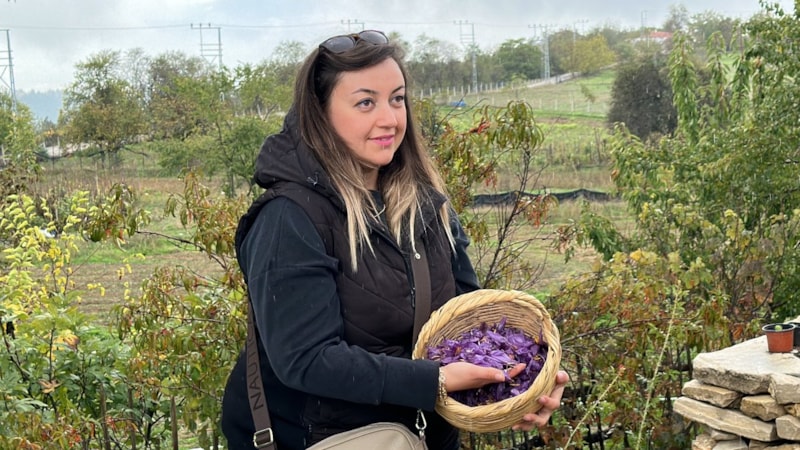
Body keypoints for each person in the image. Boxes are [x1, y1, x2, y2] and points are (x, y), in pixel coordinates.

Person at [220, 29, 569, 449]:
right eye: (366, 102)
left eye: (397, 98)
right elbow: (306, 359)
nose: (390, 119)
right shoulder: (289, 218)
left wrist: (517, 381)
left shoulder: (426, 205)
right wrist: (433, 380)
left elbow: (467, 324)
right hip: (326, 438)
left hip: (427, 437)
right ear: (320, 113)